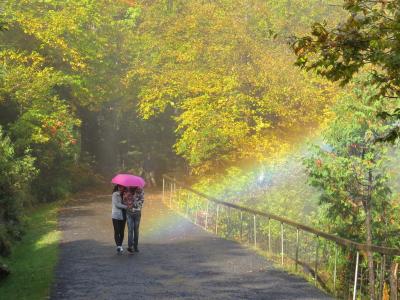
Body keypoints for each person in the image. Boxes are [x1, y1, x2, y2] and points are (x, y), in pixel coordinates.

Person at [123, 186, 144, 253]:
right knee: (130, 230)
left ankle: (135, 246)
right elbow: (124, 200)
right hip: (129, 213)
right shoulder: (127, 190)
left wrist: (134, 201)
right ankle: (130, 246)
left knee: (136, 230)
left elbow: (141, 202)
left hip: (137, 213)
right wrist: (128, 200)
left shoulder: (140, 191)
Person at [111, 185, 127, 253]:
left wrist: (126, 198)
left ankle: (120, 245)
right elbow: (117, 204)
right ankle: (118, 246)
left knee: (122, 231)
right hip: (116, 215)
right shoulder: (115, 194)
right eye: (119, 187)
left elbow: (129, 201)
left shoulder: (126, 194)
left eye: (122, 187)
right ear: (117, 187)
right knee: (117, 231)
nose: (120, 188)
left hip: (124, 215)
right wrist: (127, 206)